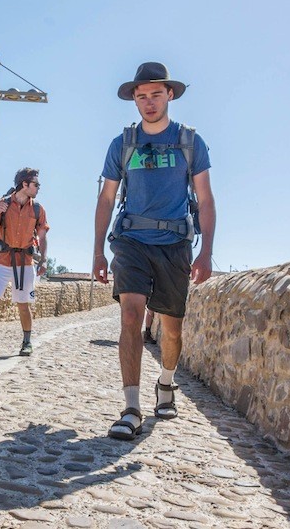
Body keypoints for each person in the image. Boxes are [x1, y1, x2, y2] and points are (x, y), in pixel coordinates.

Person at [93, 62, 216, 438]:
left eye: (155, 95)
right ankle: (131, 408)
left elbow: (206, 199)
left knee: (172, 329)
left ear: (170, 95)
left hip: (175, 244)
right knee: (131, 315)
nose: (148, 102)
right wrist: (98, 250)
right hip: (131, 240)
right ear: (134, 99)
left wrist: (206, 251)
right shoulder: (122, 145)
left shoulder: (190, 143)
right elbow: (107, 198)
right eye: (141, 96)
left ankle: (166, 382)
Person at [0, 168, 49, 358]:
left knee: (23, 304)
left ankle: (27, 342)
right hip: (1, 261)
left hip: (25, 262)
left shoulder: (38, 209)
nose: (38, 188)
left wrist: (44, 259)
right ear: (24, 184)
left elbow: (42, 237)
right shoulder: (3, 204)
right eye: (36, 184)